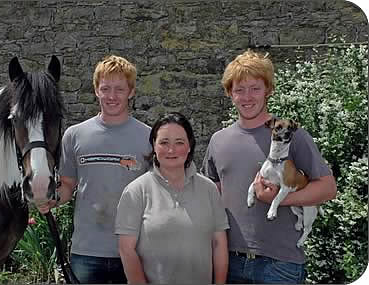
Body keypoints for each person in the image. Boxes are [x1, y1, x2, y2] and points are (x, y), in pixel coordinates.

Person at [201, 50, 337, 284]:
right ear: (229, 93)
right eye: (239, 90)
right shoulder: (218, 140)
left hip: (280, 265)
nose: (247, 97)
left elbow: (328, 188)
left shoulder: (293, 136)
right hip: (229, 260)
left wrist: (281, 200)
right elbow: (210, 194)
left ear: (268, 91)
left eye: (255, 88)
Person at [37, 55, 152, 283]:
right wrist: (52, 199)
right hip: (86, 251)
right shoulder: (75, 135)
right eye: (105, 88)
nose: (111, 96)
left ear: (131, 92)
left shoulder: (149, 137)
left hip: (134, 251)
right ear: (96, 90)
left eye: (119, 89)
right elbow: (68, 185)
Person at [115, 112, 229, 284]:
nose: (171, 150)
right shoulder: (136, 191)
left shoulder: (209, 189)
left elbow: (219, 244)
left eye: (179, 142)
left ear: (189, 146)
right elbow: (126, 249)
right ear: (154, 145)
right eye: (164, 142)